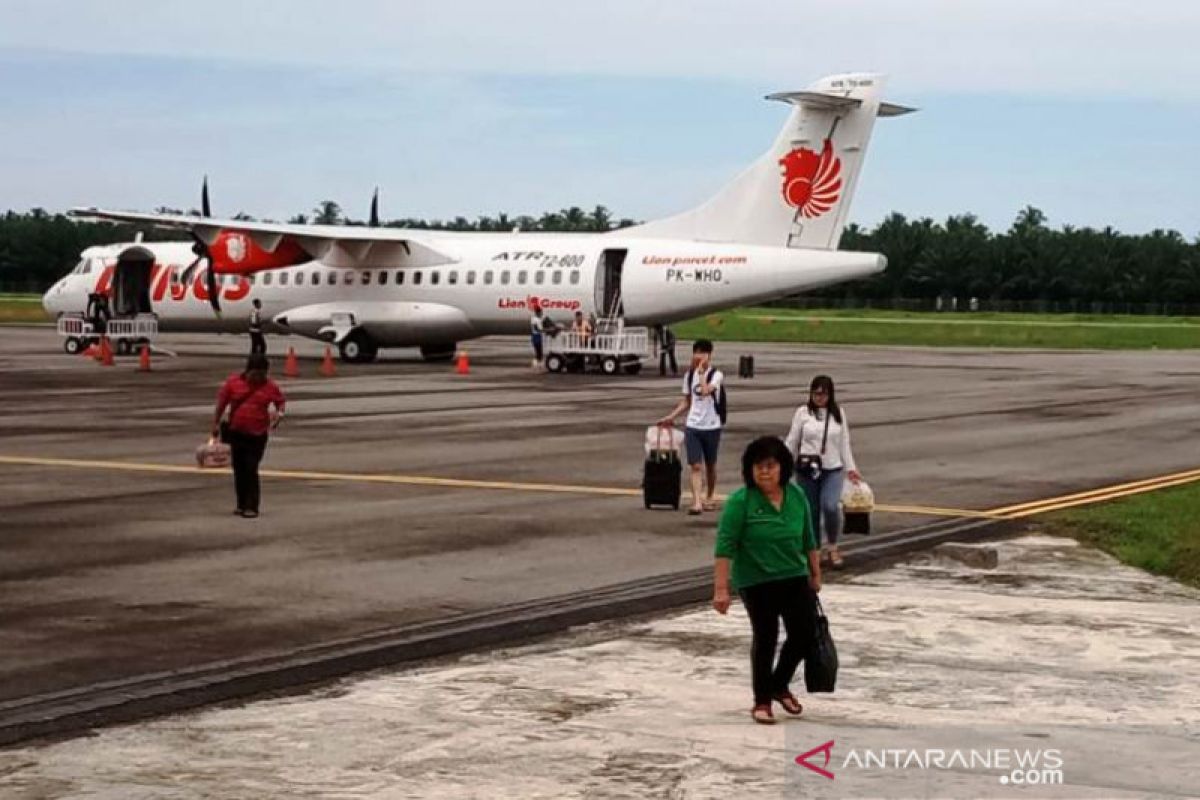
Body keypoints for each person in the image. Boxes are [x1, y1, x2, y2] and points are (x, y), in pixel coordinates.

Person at [713, 436, 821, 725]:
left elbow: (809, 538)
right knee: (766, 636)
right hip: (755, 580)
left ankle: (779, 683)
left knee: (805, 634)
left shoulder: (796, 496)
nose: (763, 472)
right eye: (757, 467)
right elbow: (725, 547)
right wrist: (721, 589)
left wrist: (815, 573)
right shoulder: (741, 502)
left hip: (794, 575)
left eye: (770, 466)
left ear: (782, 468)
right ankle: (762, 700)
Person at [784, 375, 862, 568]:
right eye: (816, 393)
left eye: (823, 394)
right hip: (807, 468)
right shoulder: (803, 413)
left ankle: (833, 545)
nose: (819, 397)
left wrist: (851, 468)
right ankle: (815, 550)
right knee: (811, 511)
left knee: (830, 506)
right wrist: (782, 463)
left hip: (832, 468)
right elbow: (792, 440)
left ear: (830, 394)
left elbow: (844, 443)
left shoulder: (838, 414)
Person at [212, 354, 286, 518]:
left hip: (257, 434)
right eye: (256, 374)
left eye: (262, 374)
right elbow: (221, 404)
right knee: (239, 469)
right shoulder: (233, 383)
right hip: (236, 432)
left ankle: (252, 506)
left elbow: (281, 402)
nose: (259, 378)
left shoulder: (270, 386)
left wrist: (278, 416)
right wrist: (215, 424)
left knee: (251, 468)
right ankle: (241, 503)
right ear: (248, 371)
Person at [658, 339, 723, 515]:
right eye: (696, 352)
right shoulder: (689, 376)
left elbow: (706, 390)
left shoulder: (716, 375)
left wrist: (701, 374)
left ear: (710, 355)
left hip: (712, 426)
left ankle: (709, 495)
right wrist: (671, 417)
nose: (699, 356)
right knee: (695, 465)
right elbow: (687, 400)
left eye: (703, 353)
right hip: (693, 426)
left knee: (710, 464)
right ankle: (696, 501)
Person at [530, 304, 546, 370]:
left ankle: (539, 365)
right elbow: (537, 329)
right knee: (538, 352)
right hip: (536, 336)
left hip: (537, 336)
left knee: (540, 352)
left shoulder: (535, 319)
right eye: (541, 312)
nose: (542, 314)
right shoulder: (535, 320)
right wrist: (546, 330)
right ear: (538, 312)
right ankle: (536, 365)